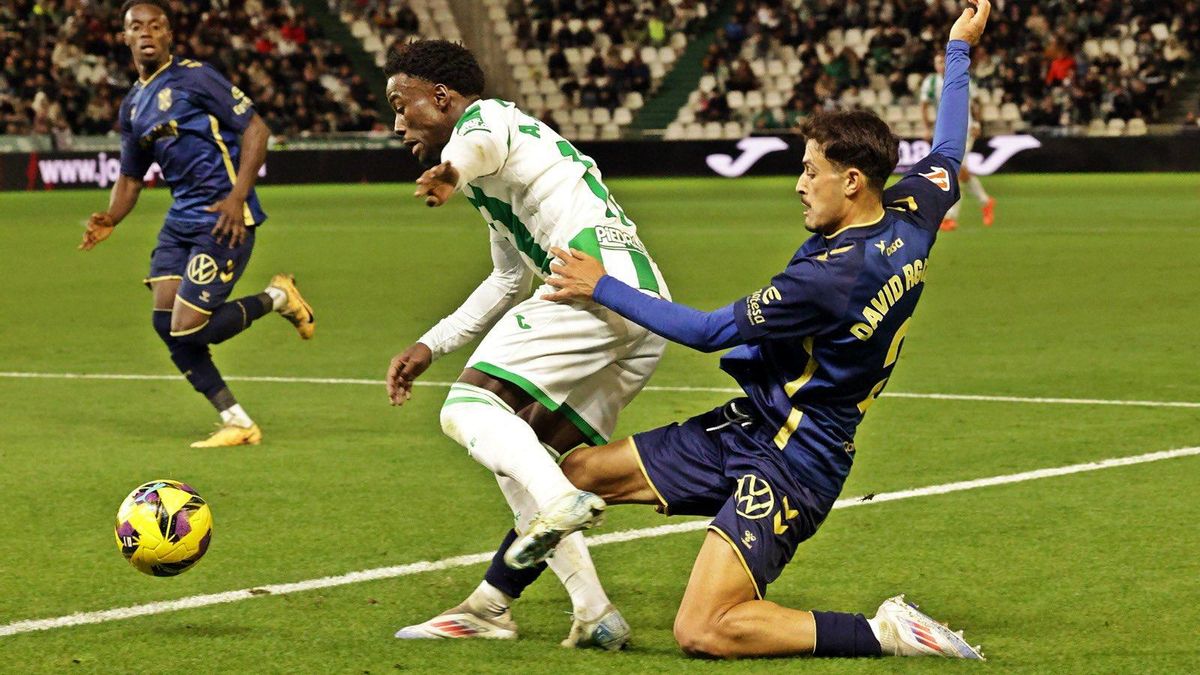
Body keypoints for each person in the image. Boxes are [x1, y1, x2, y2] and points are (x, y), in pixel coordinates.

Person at [503, 1, 993, 660]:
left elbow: (708, 331)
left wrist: (603, 286)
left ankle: (885, 631)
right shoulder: (913, 211)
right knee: (580, 472)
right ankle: (487, 607)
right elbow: (950, 148)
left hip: (798, 459)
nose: (799, 186)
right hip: (756, 421)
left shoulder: (829, 277)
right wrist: (958, 51)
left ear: (851, 182)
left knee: (702, 629)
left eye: (810, 171)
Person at [381, 39, 669, 648]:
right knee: (522, 455)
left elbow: (474, 144)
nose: (397, 121)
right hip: (639, 310)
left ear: (442, 97)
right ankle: (573, 611)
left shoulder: (488, 122)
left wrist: (451, 174)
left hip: (588, 281)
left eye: (402, 105)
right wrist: (431, 344)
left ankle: (562, 502)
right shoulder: (499, 178)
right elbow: (509, 278)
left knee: (468, 411)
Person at [78, 0, 315, 448]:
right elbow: (130, 177)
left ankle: (279, 296)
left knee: (187, 326)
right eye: (136, 27)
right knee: (164, 322)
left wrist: (237, 196)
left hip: (223, 218)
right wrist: (111, 217)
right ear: (124, 37)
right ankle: (238, 421)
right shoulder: (133, 105)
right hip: (180, 220)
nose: (146, 32)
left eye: (155, 25)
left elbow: (257, 131)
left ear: (169, 34)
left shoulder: (195, 77)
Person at [920, 51, 995, 231]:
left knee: (955, 169)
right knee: (960, 170)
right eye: (938, 62)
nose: (941, 65)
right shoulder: (930, 82)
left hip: (965, 128)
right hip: (946, 130)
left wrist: (977, 122)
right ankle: (986, 201)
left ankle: (950, 217)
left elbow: (977, 101)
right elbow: (923, 105)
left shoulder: (962, 78)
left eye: (943, 62)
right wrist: (927, 127)